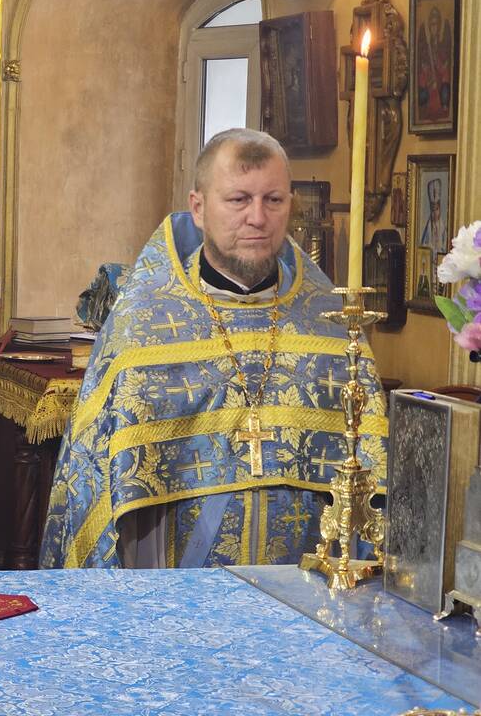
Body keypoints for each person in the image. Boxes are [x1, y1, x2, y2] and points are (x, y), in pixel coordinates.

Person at [41, 128, 387, 569]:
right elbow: (96, 479)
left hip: (304, 590)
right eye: (239, 199)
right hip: (173, 590)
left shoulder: (331, 326)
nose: (258, 218)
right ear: (199, 208)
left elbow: (370, 485)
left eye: (273, 200)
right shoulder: (144, 324)